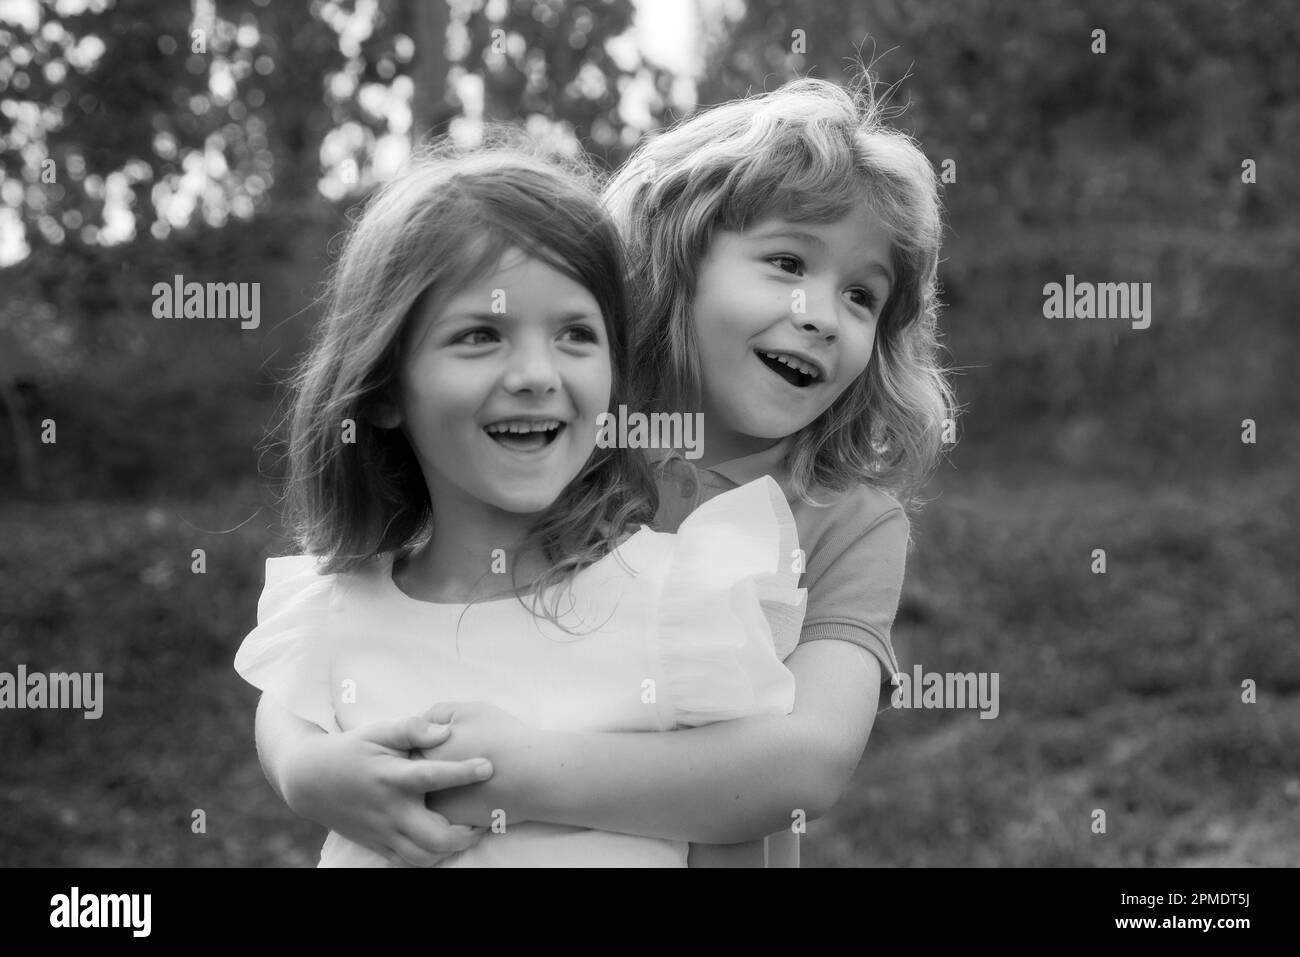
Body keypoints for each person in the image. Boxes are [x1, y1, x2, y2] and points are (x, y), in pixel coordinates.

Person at [257, 74, 954, 867]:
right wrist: (301, 766)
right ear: (676, 258)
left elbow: (803, 763)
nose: (821, 315)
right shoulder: (565, 440)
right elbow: (339, 630)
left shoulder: (847, 519)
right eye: (789, 260)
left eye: (862, 296)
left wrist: (520, 776)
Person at [235, 140, 804, 866]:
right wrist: (300, 772)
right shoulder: (335, 609)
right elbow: (282, 711)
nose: (536, 373)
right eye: (480, 335)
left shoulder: (681, 606)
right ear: (380, 392)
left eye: (574, 333)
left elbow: (750, 823)